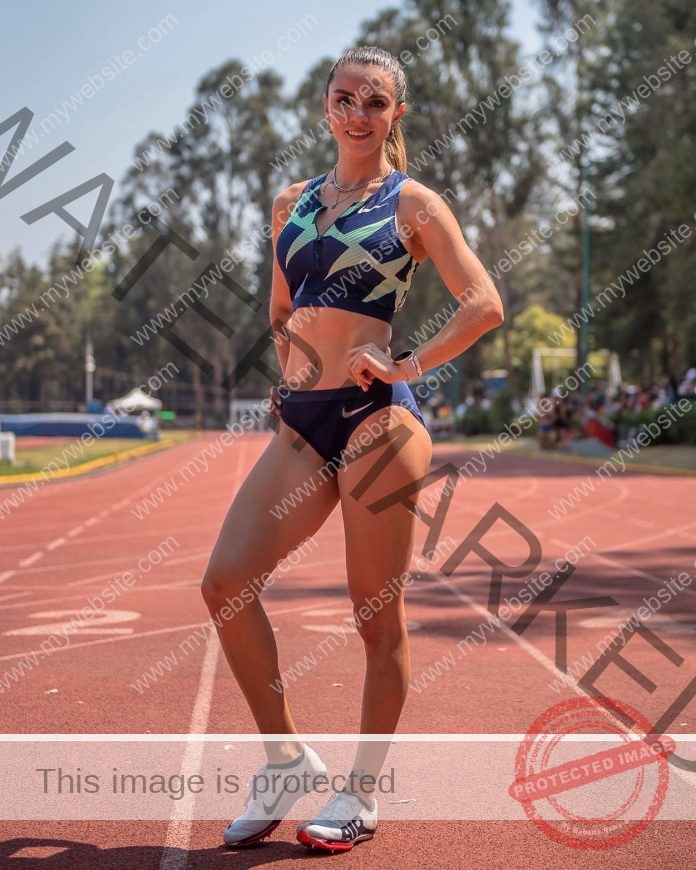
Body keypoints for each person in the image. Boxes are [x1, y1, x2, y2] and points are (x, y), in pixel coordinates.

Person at [201, 45, 504, 853]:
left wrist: (411, 363)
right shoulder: (289, 202)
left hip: (378, 419)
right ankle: (286, 758)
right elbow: (277, 308)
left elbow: (484, 303)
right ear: (324, 106)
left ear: (394, 115)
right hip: (303, 418)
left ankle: (361, 793)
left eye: (375, 102)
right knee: (225, 582)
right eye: (345, 98)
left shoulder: (414, 203)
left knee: (376, 617)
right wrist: (289, 370)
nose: (358, 114)